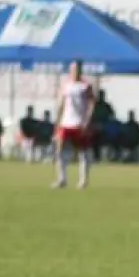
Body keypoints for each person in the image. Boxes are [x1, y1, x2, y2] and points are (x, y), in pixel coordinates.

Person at [52, 60, 94, 189]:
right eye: (73, 69)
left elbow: (91, 103)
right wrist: (57, 122)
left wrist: (87, 120)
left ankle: (83, 180)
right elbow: (62, 104)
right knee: (59, 150)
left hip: (79, 123)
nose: (75, 71)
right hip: (66, 122)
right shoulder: (66, 85)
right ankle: (62, 178)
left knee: (83, 151)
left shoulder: (85, 86)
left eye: (77, 69)